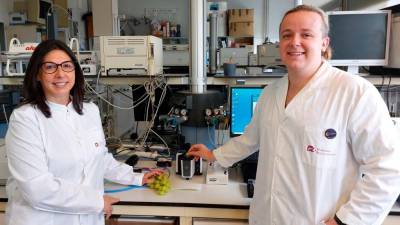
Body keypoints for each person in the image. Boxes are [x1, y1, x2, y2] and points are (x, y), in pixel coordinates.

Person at [188, 5, 400, 225]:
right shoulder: (270, 93)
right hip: (266, 218)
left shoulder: (355, 92)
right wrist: (214, 155)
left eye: (306, 34)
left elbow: (387, 171)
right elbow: (250, 140)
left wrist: (345, 221)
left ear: (324, 43)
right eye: (287, 35)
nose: (295, 42)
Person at [5, 39, 162, 225]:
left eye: (66, 66)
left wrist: (137, 177)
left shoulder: (89, 111)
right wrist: (96, 202)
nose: (60, 73)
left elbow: (100, 159)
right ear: (37, 74)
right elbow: (36, 188)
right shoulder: (26, 118)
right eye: (50, 67)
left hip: (86, 219)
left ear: (75, 71)